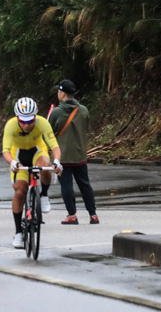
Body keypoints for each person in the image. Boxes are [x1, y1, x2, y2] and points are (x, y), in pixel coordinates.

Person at [2, 97, 62, 249]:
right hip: (18, 155)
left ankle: (43, 195)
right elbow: (6, 151)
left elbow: (54, 146)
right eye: (23, 121)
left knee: (45, 165)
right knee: (20, 191)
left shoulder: (42, 123)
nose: (27, 125)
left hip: (37, 151)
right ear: (17, 118)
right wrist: (13, 163)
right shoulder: (11, 125)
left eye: (30, 120)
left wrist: (57, 161)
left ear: (35, 116)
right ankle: (18, 233)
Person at [49, 79, 98, 225]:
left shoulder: (56, 112)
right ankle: (93, 215)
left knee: (66, 185)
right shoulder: (83, 110)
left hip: (62, 156)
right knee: (85, 184)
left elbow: (49, 132)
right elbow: (86, 126)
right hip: (80, 154)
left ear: (62, 94)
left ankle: (72, 215)